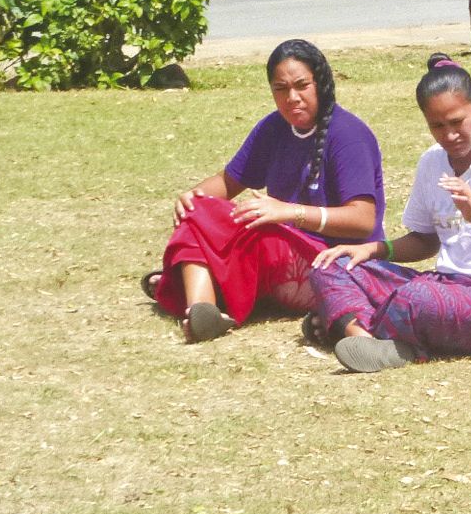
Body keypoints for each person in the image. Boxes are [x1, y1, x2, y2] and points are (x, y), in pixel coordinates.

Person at [307, 53, 471, 373]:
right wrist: (371, 250)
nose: (449, 135)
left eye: (457, 122)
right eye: (437, 126)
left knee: (418, 298)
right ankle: (364, 336)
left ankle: (344, 322)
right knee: (332, 265)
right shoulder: (433, 161)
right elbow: (425, 240)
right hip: (445, 286)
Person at [144, 39, 384, 342]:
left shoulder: (349, 135)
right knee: (201, 208)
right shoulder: (273, 128)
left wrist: (289, 213)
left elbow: (363, 220)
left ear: (320, 83)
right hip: (283, 249)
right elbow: (229, 183)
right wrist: (191, 198)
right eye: (280, 89)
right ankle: (202, 311)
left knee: (248, 233)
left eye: (301, 86)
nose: (292, 98)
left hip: (336, 265)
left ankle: (184, 289)